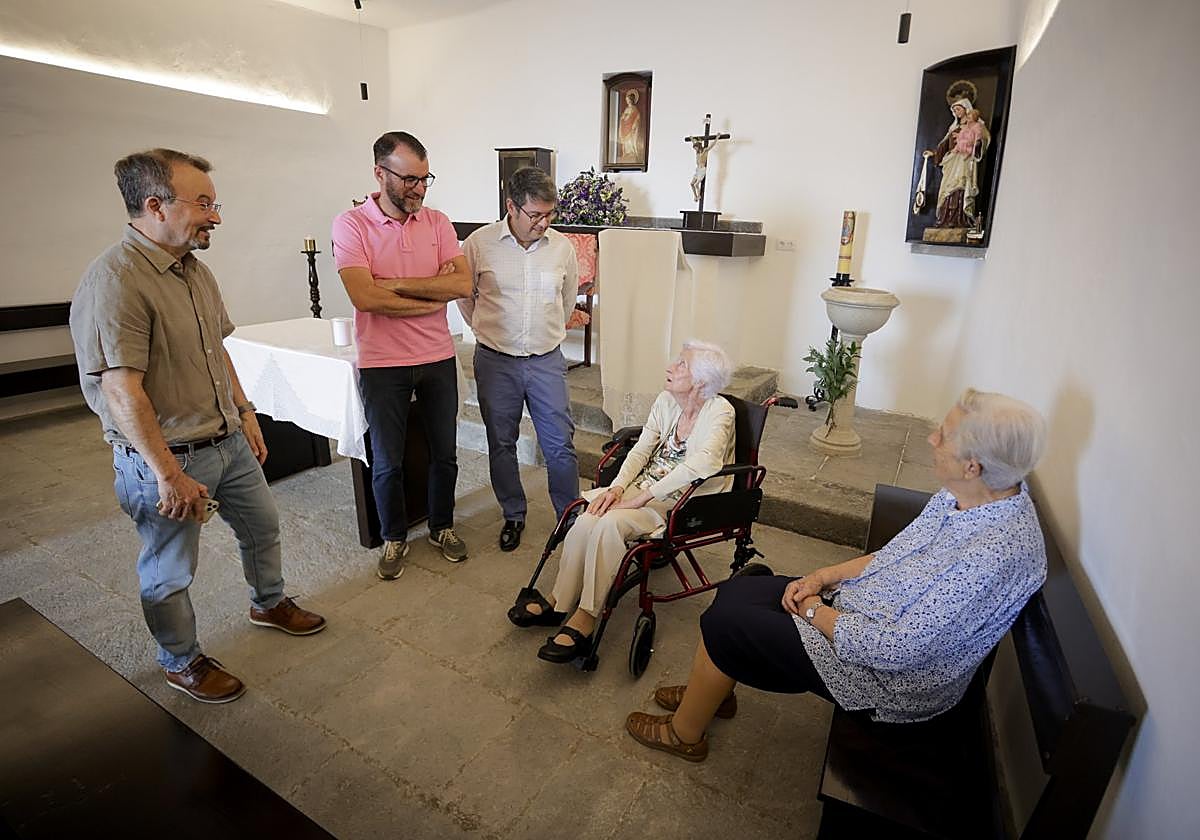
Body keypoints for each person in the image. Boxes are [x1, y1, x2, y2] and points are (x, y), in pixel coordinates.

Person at [623, 388, 1047, 762]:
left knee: (726, 622)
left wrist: (811, 611)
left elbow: (894, 651)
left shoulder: (992, 554)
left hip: (887, 680)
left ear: (973, 466)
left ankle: (685, 734)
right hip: (861, 611)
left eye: (944, 436)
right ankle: (712, 694)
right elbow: (892, 555)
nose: (932, 438)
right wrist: (822, 578)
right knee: (740, 590)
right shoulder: (966, 496)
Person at [69, 149, 326, 705]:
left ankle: (268, 601)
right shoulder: (115, 280)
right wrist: (166, 474)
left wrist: (246, 413)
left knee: (262, 526)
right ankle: (180, 660)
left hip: (227, 438)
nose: (215, 216)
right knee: (169, 570)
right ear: (155, 205)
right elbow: (121, 389)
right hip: (168, 457)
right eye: (204, 203)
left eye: (215, 203)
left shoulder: (195, 270)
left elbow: (218, 350)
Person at [507, 341, 736, 664]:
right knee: (589, 517)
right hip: (641, 489)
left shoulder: (720, 411)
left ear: (700, 380)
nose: (671, 367)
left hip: (679, 501)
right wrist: (616, 489)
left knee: (610, 525)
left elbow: (705, 463)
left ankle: (586, 616)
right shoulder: (667, 401)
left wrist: (640, 498)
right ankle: (560, 599)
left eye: (681, 364)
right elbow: (641, 449)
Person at [332, 131, 473, 580]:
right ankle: (394, 538)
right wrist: (429, 296)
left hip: (436, 356)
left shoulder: (438, 222)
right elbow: (363, 297)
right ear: (380, 173)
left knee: (444, 454)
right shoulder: (350, 225)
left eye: (424, 179)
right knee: (387, 459)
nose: (418, 188)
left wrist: (391, 283)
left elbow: (462, 285)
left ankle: (442, 527)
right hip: (382, 362)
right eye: (409, 179)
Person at [460, 167, 588, 552]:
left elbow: (566, 301)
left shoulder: (561, 247)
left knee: (560, 444)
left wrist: (542, 335)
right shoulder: (479, 243)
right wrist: (489, 333)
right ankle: (513, 514)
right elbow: (465, 297)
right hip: (496, 362)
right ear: (511, 207)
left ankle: (569, 518)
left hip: (546, 360)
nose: (543, 223)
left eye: (549, 214)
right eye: (535, 214)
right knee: (502, 442)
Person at [928, 98, 991, 228]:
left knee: (960, 185)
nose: (956, 112)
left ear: (966, 109)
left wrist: (977, 144)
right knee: (947, 187)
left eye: (958, 109)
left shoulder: (976, 126)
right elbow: (944, 145)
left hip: (964, 160)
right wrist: (935, 154)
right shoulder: (954, 128)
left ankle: (959, 219)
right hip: (952, 160)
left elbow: (983, 138)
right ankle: (945, 218)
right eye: (954, 110)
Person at [618, 89, 642, 161]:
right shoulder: (626, 109)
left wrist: (626, 118)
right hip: (625, 128)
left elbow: (635, 116)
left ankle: (631, 152)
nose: (627, 101)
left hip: (630, 128)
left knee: (630, 141)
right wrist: (623, 118)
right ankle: (626, 153)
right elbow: (624, 118)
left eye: (628, 100)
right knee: (625, 143)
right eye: (626, 100)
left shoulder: (634, 109)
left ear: (631, 100)